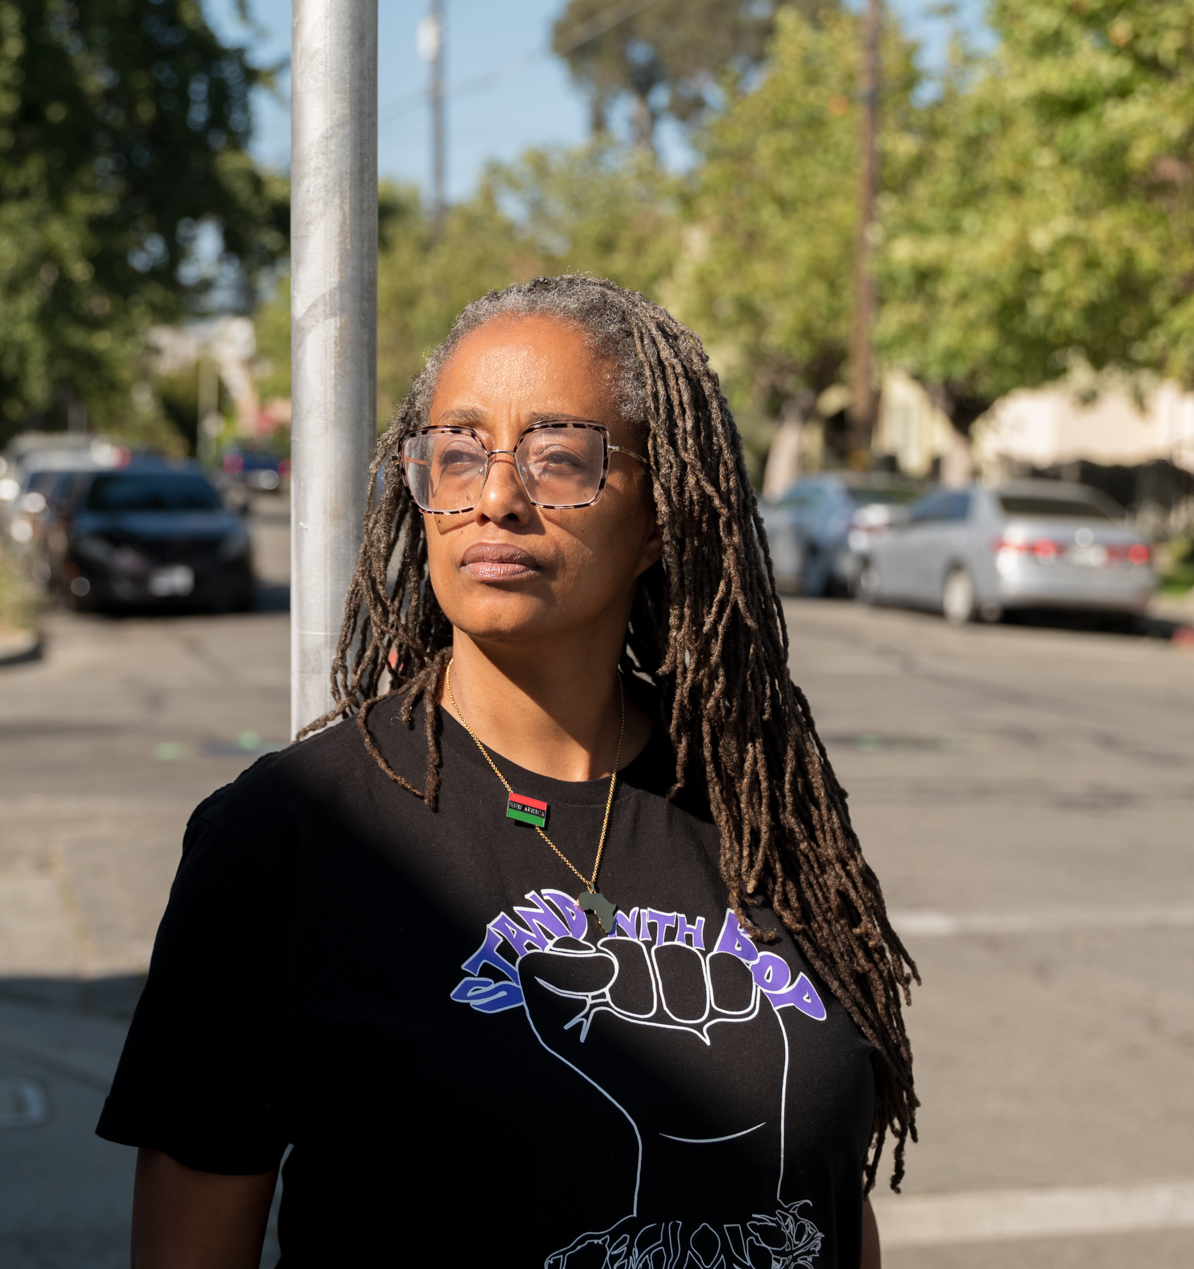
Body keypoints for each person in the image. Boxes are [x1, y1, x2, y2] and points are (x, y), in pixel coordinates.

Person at [99, 276, 919, 1268]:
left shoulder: (757, 811)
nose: (494, 499)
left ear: (660, 513)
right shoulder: (286, 836)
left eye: (558, 457)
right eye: (456, 455)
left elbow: (831, 1204)